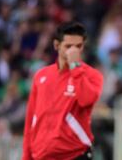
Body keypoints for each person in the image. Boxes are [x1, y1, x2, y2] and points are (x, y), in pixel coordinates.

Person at [22, 22, 103, 160]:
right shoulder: (41, 76)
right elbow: (31, 119)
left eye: (78, 46)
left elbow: (86, 100)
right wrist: (26, 157)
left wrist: (75, 67)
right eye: (68, 46)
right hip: (41, 156)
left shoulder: (92, 75)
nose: (73, 51)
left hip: (75, 155)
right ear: (56, 45)